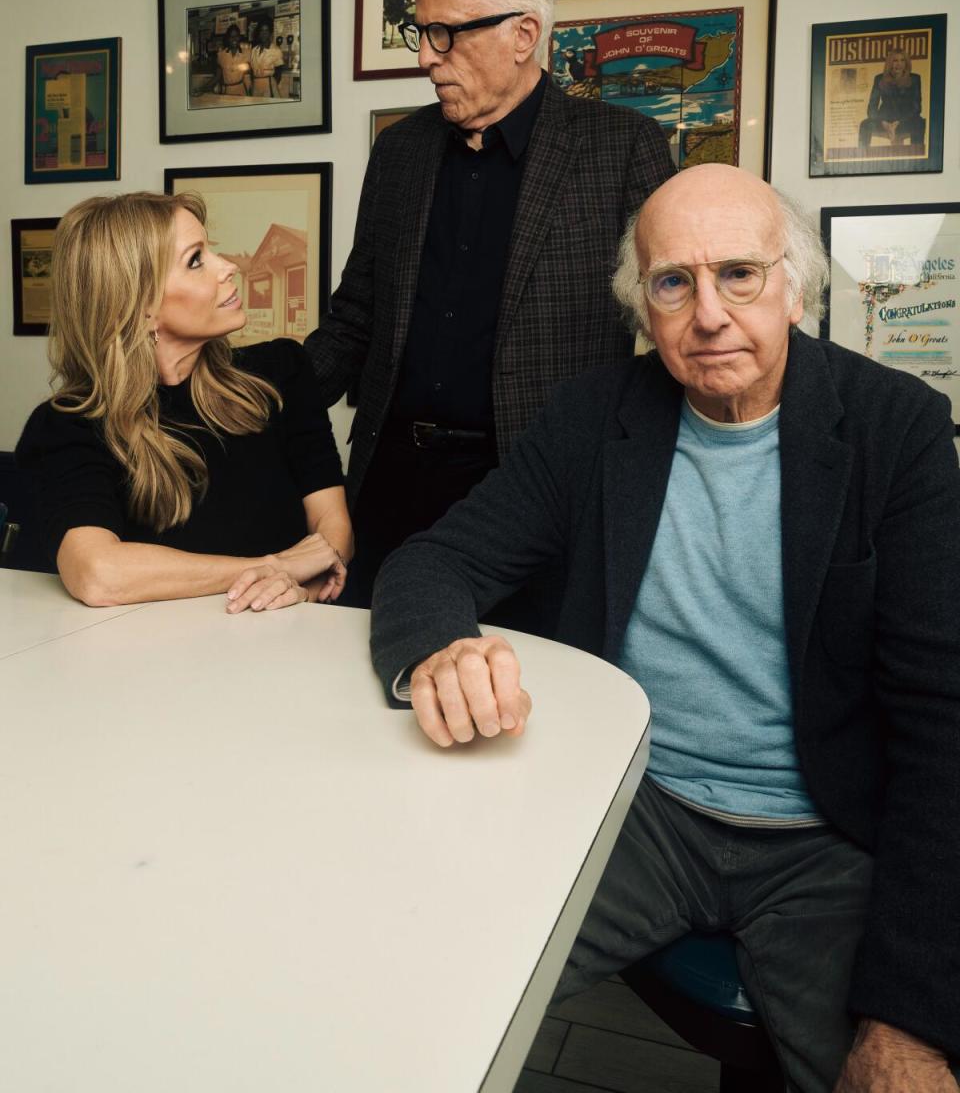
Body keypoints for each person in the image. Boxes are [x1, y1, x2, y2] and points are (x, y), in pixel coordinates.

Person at [370, 164, 960, 1092]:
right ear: (643, 306)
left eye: (739, 273)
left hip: (826, 835)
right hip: (642, 810)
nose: (709, 312)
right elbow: (433, 563)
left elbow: (942, 719)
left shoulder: (900, 431)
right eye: (673, 282)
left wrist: (909, 1025)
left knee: (893, 1073)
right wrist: (440, 651)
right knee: (422, 986)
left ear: (793, 286)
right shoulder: (591, 417)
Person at [304, 0, 674, 607]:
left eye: (447, 34)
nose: (425, 57)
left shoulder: (621, 147)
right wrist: (249, 401)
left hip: (538, 494)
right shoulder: (400, 152)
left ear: (523, 34)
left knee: (521, 699)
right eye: (423, 33)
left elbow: (671, 325)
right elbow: (354, 319)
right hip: (389, 483)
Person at [16, 191, 351, 613]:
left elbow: (331, 524)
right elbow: (98, 573)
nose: (229, 266)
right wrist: (275, 566)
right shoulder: (68, 426)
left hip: (289, 635)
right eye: (196, 260)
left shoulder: (282, 372)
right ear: (141, 309)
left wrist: (316, 571)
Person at [858, 48, 925, 148]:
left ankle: (917, 157)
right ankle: (861, 158)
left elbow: (916, 108)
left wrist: (898, 122)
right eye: (895, 60)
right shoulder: (879, 78)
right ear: (890, 63)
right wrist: (884, 123)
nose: (899, 64)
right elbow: (871, 108)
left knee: (919, 123)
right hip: (883, 121)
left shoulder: (915, 79)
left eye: (902, 60)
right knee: (865, 125)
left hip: (905, 120)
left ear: (906, 63)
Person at [249, 22, 284, 97]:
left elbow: (279, 73)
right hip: (256, 86)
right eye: (261, 30)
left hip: (269, 87)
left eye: (266, 31)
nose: (264, 33)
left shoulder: (276, 50)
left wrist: (272, 86)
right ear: (258, 33)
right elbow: (252, 70)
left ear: (270, 33)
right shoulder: (254, 50)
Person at [216, 24, 251, 96]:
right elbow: (218, 76)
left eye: (236, 36)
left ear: (239, 37)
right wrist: (204, 87)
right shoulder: (221, 55)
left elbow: (247, 76)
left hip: (241, 91)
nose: (234, 39)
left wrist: (249, 93)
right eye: (231, 37)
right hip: (226, 92)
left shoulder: (246, 53)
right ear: (228, 39)